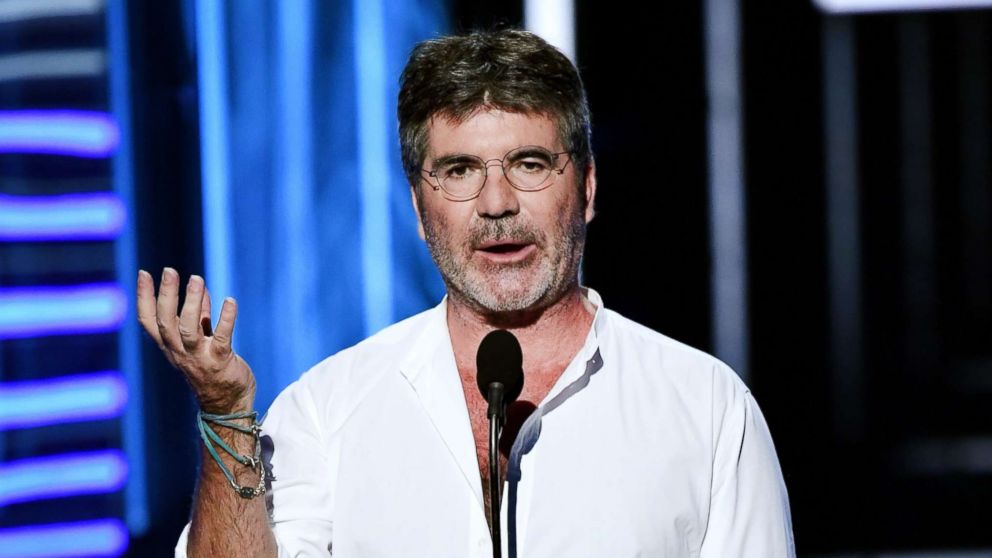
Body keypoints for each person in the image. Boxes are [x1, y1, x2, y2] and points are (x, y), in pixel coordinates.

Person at [137, 28, 795, 558]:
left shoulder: (706, 410)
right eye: (459, 171)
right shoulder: (325, 410)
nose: (497, 204)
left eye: (530, 165)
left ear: (587, 188)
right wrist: (226, 412)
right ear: (421, 212)